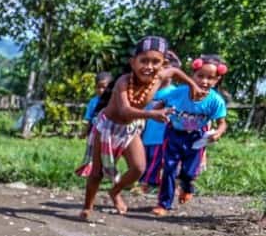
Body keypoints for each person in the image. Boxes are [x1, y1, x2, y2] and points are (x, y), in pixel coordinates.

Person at [77, 36, 203, 220]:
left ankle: (115, 192)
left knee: (138, 168)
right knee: (97, 172)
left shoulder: (160, 76)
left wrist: (193, 86)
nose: (149, 66)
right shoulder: (123, 81)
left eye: (155, 62)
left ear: (163, 63)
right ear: (133, 62)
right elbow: (125, 110)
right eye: (144, 61)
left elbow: (175, 71)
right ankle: (88, 206)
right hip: (107, 128)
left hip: (129, 128)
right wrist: (153, 114)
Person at [151, 55, 229, 216]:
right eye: (200, 76)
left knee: (188, 172)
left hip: (196, 138)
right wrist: (158, 112)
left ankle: (187, 188)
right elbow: (160, 104)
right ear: (192, 75)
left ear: (217, 80)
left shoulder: (216, 101)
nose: (204, 81)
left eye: (210, 78)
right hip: (174, 134)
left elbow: (222, 123)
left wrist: (218, 133)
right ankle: (164, 204)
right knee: (169, 168)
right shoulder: (178, 92)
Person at [138, 51, 181, 192]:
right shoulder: (149, 91)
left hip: (164, 136)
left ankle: (149, 186)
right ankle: (148, 184)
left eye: (166, 67)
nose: (162, 71)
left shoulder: (175, 92)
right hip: (147, 135)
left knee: (159, 162)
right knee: (145, 160)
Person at [84, 72, 114, 137]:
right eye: (98, 87)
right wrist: (85, 132)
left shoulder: (113, 102)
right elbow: (89, 120)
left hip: (108, 135)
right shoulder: (92, 102)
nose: (101, 90)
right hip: (93, 134)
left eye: (104, 87)